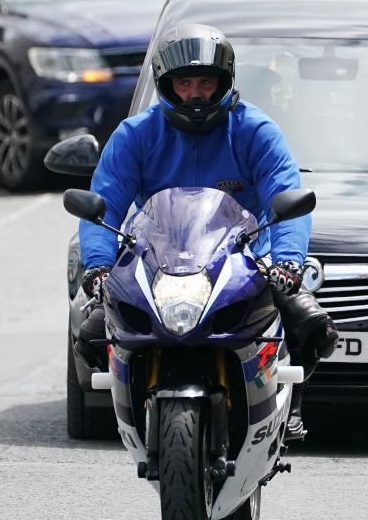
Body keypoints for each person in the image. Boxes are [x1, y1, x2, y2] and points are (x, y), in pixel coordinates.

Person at [77, 23, 338, 440]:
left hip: (246, 256)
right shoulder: (134, 135)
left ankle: (292, 404)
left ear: (224, 81)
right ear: (166, 83)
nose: (195, 93)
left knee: (311, 323)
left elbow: (286, 196)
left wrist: (288, 261)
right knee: (90, 330)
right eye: (184, 82)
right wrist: (98, 267)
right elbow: (102, 207)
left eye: (205, 81)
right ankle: (128, 400)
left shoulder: (257, 131)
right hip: (156, 258)